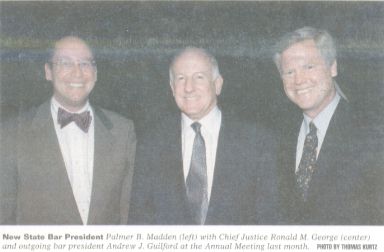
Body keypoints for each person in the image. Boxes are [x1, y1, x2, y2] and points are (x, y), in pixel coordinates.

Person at [128, 47, 279, 225]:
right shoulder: (151, 143)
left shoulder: (257, 142)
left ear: (217, 85)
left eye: (199, 77)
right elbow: (139, 220)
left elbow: (270, 220)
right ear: (171, 88)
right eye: (181, 78)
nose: (188, 88)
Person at [0, 36, 136, 224]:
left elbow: (128, 214)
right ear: (48, 71)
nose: (77, 73)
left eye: (85, 63)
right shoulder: (11, 134)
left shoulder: (123, 131)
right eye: (65, 63)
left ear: (95, 73)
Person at [273, 26, 381, 224]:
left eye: (309, 67)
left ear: (333, 67)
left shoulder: (373, 133)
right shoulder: (276, 137)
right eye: (289, 71)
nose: (299, 80)